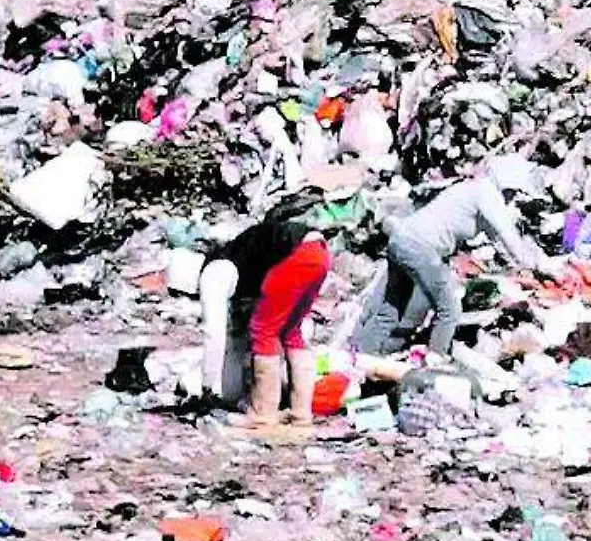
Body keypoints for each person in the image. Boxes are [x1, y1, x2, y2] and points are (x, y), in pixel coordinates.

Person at [350, 156, 550, 358]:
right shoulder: (487, 193)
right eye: (513, 191)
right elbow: (507, 233)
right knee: (449, 311)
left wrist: (520, 265)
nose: (513, 196)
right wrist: (534, 265)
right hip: (420, 247)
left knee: (391, 308)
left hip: (401, 240)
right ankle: (436, 361)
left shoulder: (473, 190)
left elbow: (497, 240)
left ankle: (360, 357)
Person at [197, 199, 334, 426]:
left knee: (263, 331)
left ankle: (263, 413)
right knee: (291, 331)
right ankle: (301, 411)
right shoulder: (245, 254)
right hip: (319, 251)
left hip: (296, 254)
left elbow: (214, 332)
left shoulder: (215, 269)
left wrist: (207, 388)